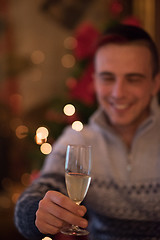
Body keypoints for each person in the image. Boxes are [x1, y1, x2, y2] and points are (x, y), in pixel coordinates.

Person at [14, 23, 160, 240]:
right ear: (95, 82)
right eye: (108, 78)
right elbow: (36, 193)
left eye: (133, 78)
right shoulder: (77, 139)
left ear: (155, 84)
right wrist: (37, 211)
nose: (118, 93)